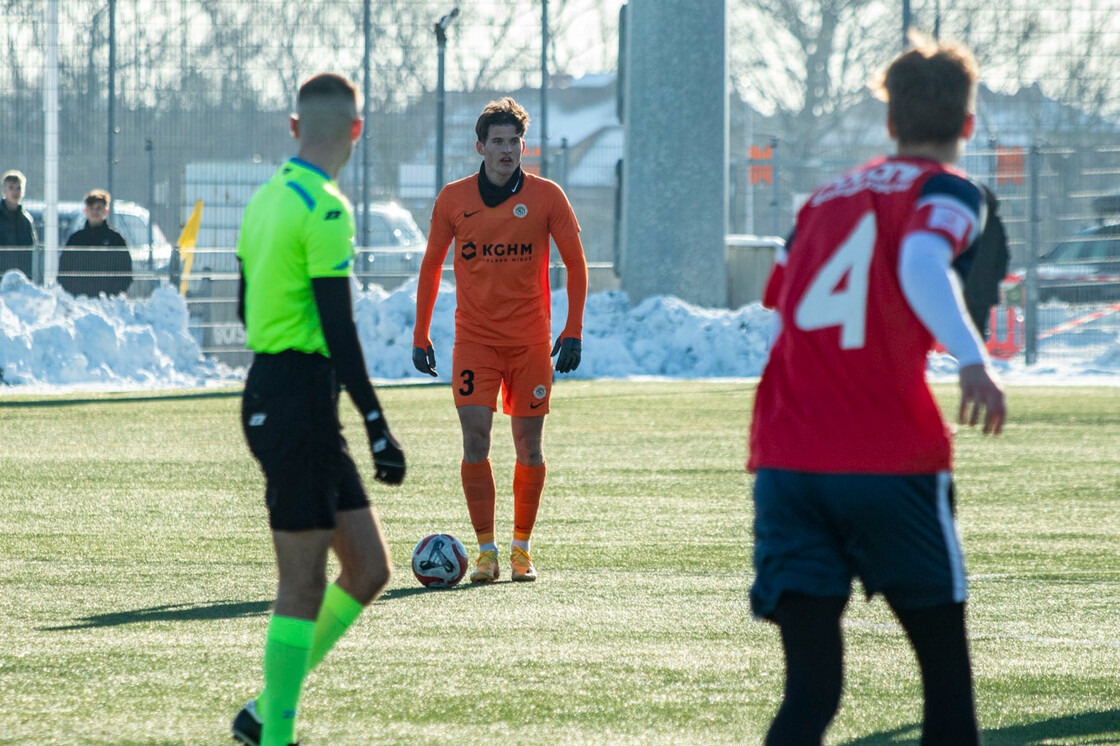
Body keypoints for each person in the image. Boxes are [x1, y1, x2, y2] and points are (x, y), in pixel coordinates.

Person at [747, 33, 1006, 746]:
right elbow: (924, 261)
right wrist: (971, 359)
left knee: (809, 697)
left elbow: (778, 319)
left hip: (788, 461)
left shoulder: (820, 199)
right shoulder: (949, 189)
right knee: (947, 695)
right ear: (967, 125)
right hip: (888, 458)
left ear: (889, 124)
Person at [230, 72, 406, 746]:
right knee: (301, 585)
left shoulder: (264, 199)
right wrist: (376, 423)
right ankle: (275, 735)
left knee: (368, 569)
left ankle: (261, 711)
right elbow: (340, 330)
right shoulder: (327, 207)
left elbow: (246, 307)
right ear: (356, 132)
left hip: (277, 395)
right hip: (299, 405)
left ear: (295, 127)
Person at [412, 96, 588, 584]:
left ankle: (521, 548)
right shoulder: (453, 199)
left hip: (530, 341)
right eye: (498, 142)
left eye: (514, 142)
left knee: (529, 445)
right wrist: (420, 333)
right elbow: (431, 265)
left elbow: (576, 263)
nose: (507, 150)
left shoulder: (548, 196)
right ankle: (486, 551)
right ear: (480, 146)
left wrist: (572, 330)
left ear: (522, 146)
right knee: (475, 439)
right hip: (475, 341)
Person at [957, 184, 1010, 338]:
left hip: (964, 285)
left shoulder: (965, 220)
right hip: (985, 287)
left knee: (963, 326)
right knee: (979, 327)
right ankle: (978, 356)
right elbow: (1004, 256)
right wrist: (995, 277)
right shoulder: (995, 223)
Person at [58, 189, 132, 296]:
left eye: (99, 208)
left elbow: (125, 273)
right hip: (79, 302)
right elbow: (64, 271)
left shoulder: (116, 239)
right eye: (91, 208)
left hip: (107, 304)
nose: (95, 212)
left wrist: (112, 295)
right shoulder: (76, 239)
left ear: (106, 211)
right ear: (85, 211)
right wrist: (75, 295)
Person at [0, 170, 36, 278]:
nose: (15, 191)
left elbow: (31, 249)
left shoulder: (26, 220)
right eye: (11, 187)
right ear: (4, 190)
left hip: (22, 278)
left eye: (18, 188)